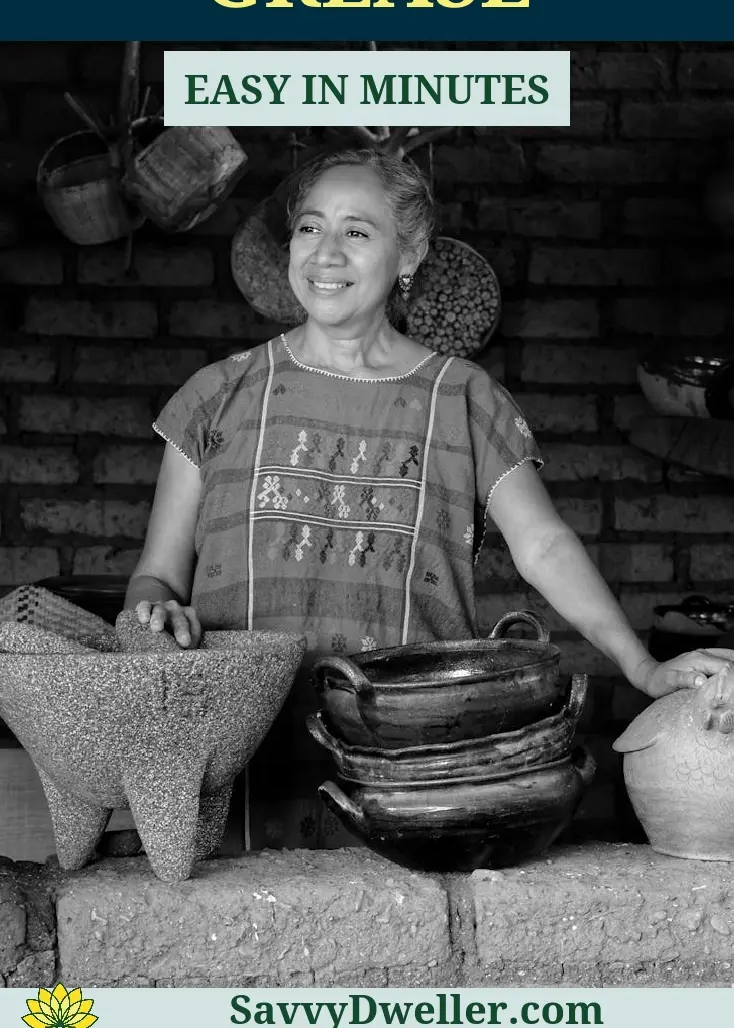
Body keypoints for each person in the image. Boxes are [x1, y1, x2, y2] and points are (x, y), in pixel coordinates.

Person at [125, 147, 734, 849]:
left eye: (357, 231)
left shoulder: (463, 398)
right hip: (233, 767)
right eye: (310, 228)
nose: (326, 252)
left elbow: (543, 545)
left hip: (418, 774)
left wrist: (641, 664)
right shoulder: (216, 396)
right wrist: (155, 612)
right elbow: (156, 576)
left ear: (408, 255)